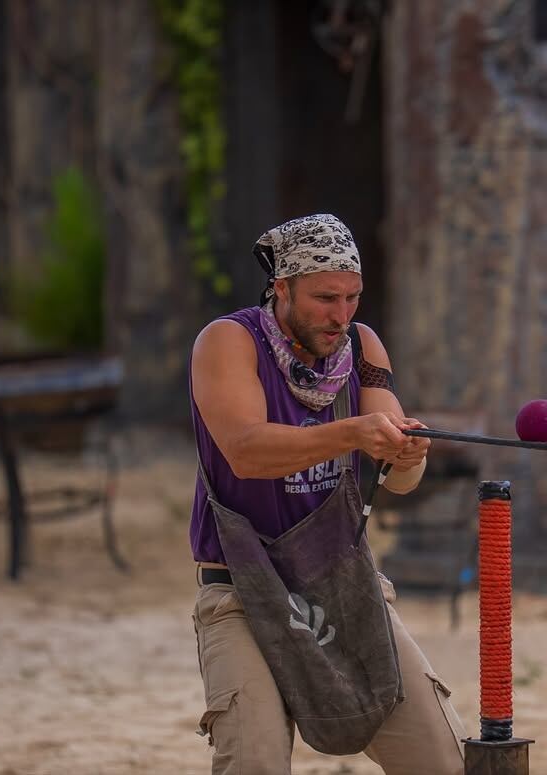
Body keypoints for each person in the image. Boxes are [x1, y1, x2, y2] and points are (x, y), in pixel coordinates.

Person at [188, 214, 466, 774]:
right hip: (243, 589)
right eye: (324, 298)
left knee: (446, 759)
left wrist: (407, 455)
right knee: (255, 761)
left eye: (352, 298)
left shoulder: (362, 347)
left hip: (345, 583)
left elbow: (398, 477)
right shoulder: (229, 340)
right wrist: (355, 434)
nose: (341, 316)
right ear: (282, 287)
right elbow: (247, 451)